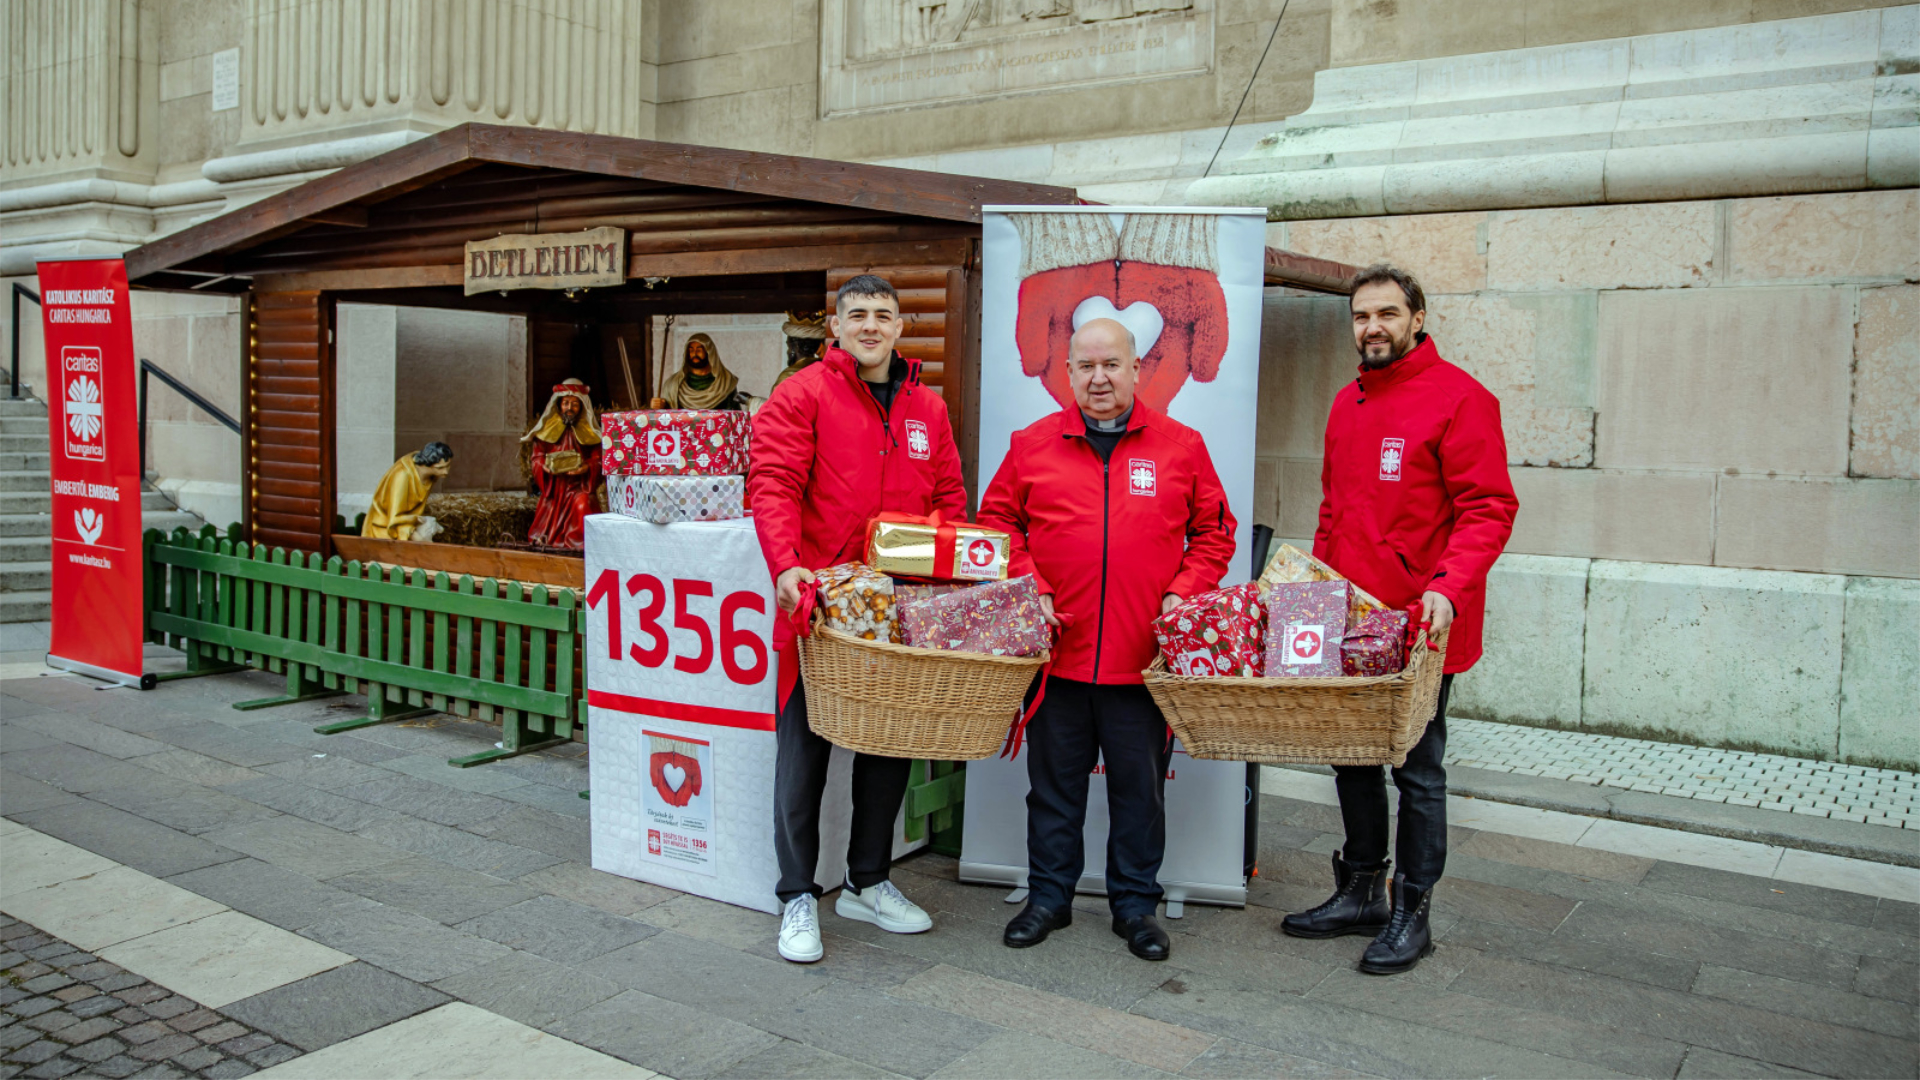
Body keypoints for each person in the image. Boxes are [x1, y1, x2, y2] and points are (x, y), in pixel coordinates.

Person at [1280, 264, 1517, 975]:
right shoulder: (1346, 404)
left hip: (1422, 624)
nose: (1372, 328)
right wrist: (1313, 594)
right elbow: (1332, 511)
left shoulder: (1462, 400)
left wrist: (1447, 586)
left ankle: (1412, 909)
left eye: (1386, 314)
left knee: (1417, 767)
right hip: (1349, 619)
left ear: (1417, 318)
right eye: (1361, 317)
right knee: (1349, 755)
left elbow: (1488, 507)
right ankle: (1360, 890)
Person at [977, 317, 1236, 962]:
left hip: (1140, 660)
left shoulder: (1182, 445)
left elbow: (1215, 532)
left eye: (1111, 365)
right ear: (1067, 374)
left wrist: (1183, 591)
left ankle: (1135, 906)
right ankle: (1048, 898)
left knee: (1139, 791)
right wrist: (1027, 581)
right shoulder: (1031, 443)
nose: (1099, 378)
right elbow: (996, 523)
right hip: (1057, 659)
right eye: (1086, 366)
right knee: (1054, 789)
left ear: (1137, 369)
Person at [748, 274, 968, 964]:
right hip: (821, 609)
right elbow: (774, 481)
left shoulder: (926, 409)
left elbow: (951, 500)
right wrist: (785, 564)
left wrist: (947, 584)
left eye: (884, 315)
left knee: (888, 745)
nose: (871, 326)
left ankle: (867, 881)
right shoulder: (803, 393)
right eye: (858, 315)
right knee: (804, 755)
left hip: (899, 611)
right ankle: (796, 895)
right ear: (834, 328)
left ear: (901, 327)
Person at [522, 378, 604, 550]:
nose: (570, 408)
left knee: (583, 505)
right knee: (548, 507)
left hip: (578, 487)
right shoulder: (545, 431)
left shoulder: (591, 433)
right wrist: (544, 466)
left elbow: (599, 459)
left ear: (581, 406)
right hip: (555, 488)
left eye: (574, 404)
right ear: (559, 405)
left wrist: (587, 467)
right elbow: (537, 457)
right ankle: (548, 540)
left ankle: (580, 545)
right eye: (566, 403)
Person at [362, 442, 454, 542]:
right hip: (386, 530)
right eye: (440, 468)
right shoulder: (402, 476)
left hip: (407, 524)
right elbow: (395, 518)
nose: (446, 472)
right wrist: (418, 520)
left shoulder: (430, 474)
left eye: (448, 466)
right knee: (423, 543)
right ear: (426, 464)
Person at [660, 333, 760, 412]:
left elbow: (734, 417)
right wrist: (657, 406)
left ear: (709, 352)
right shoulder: (673, 385)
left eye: (699, 350)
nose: (694, 354)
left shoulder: (725, 383)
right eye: (691, 350)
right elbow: (664, 417)